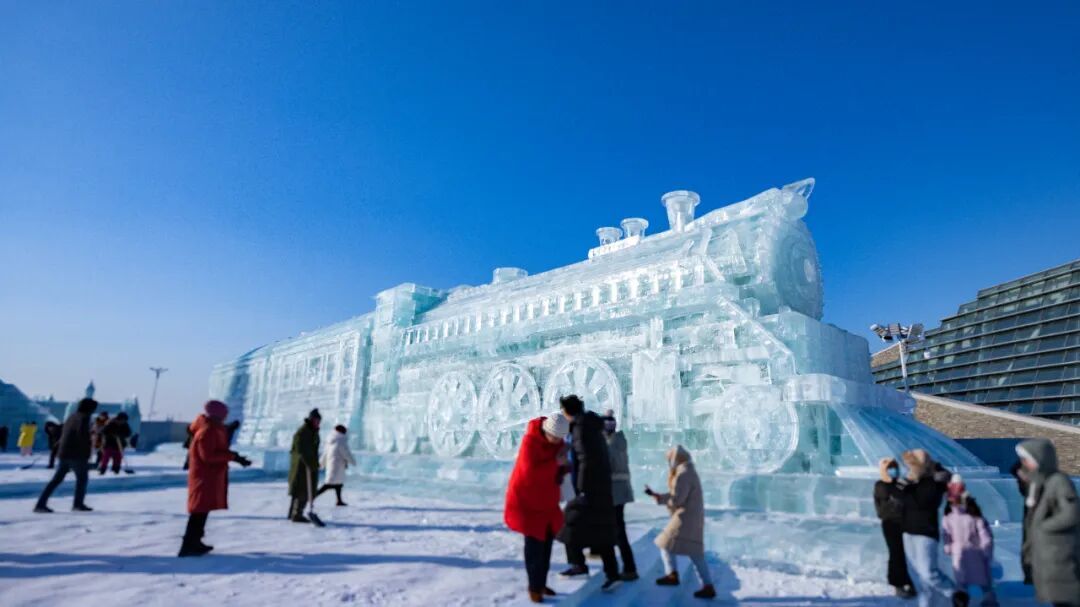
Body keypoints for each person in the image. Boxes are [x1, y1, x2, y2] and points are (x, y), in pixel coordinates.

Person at [555, 395, 622, 593]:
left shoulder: (580, 428)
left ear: (567, 411)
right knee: (601, 530)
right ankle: (612, 573)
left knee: (569, 524)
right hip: (601, 488)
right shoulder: (591, 424)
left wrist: (581, 489)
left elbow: (585, 459)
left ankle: (578, 565)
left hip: (589, 488)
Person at [504, 413, 570, 603]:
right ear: (546, 431)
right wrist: (555, 463)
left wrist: (565, 467)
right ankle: (534, 588)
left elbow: (554, 467)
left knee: (547, 546)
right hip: (528, 503)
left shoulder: (556, 444)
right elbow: (530, 473)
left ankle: (541, 583)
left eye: (560, 438)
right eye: (554, 437)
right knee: (534, 548)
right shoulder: (530, 442)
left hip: (546, 502)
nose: (556, 441)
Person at [180, 400, 252, 557]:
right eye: (224, 414)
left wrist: (235, 457)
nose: (225, 417)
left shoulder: (212, 428)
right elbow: (209, 455)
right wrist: (232, 456)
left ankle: (195, 542)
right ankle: (189, 544)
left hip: (208, 476)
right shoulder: (207, 430)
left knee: (202, 510)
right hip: (204, 476)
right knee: (198, 511)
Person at [646, 445, 716, 599]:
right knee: (694, 552)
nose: (669, 462)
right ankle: (707, 585)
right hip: (691, 517)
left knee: (665, 543)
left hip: (684, 517)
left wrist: (661, 499)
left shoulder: (683, 474)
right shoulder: (689, 471)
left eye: (670, 459)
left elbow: (678, 499)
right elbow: (678, 495)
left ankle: (673, 575)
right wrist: (660, 497)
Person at [1015, 438, 1080, 607]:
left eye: (1026, 459)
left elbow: (1071, 513)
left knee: (1068, 599)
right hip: (1050, 559)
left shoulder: (1058, 481)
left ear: (1039, 458)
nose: (1023, 464)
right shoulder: (1038, 483)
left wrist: (1044, 528)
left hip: (1061, 555)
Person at [900, 449, 954, 607]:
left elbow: (919, 501)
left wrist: (934, 466)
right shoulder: (911, 480)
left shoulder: (934, 482)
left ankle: (956, 594)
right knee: (918, 576)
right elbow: (896, 496)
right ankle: (927, 604)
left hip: (925, 532)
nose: (910, 467)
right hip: (908, 531)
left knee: (929, 573)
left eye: (913, 463)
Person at [35, 398, 98, 513]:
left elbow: (65, 433)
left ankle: (40, 504)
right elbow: (82, 436)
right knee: (82, 479)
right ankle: (78, 504)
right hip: (77, 454)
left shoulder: (71, 417)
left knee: (56, 480)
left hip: (64, 452)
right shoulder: (84, 418)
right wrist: (87, 452)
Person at [942, 475, 996, 607]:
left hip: (964, 553)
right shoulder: (962, 516)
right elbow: (946, 534)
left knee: (965, 580)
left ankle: (967, 600)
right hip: (971, 552)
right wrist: (985, 548)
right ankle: (984, 599)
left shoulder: (967, 516)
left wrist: (948, 546)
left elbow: (946, 535)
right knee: (978, 579)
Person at [602, 409, 638, 581]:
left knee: (618, 531)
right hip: (621, 492)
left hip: (615, 493)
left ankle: (629, 568)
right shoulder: (620, 442)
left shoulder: (611, 446)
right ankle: (628, 566)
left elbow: (608, 466)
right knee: (618, 529)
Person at [874, 457, 916, 599]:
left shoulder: (899, 484)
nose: (894, 471)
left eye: (895, 468)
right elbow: (884, 508)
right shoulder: (881, 485)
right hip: (890, 524)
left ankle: (909, 582)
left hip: (905, 523)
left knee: (906, 554)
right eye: (890, 468)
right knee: (896, 553)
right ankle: (898, 584)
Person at [288, 408, 321, 523]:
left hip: (308, 464)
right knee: (302, 491)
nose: (318, 422)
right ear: (311, 419)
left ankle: (293, 514)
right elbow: (300, 449)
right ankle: (297, 515)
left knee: (302, 491)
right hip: (301, 466)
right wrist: (308, 463)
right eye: (316, 420)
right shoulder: (303, 432)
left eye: (319, 420)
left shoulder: (312, 431)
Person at [315, 425, 356, 506]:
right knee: (329, 484)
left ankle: (339, 500)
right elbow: (346, 453)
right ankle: (314, 495)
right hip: (337, 465)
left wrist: (321, 463)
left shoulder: (331, 440)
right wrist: (352, 461)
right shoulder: (341, 440)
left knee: (338, 484)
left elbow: (325, 453)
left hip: (333, 464)